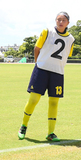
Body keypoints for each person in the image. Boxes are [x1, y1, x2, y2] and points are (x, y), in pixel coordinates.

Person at [18, 12, 74, 142]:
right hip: (41, 70)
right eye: (58, 19)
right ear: (55, 20)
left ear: (68, 23)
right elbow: (37, 48)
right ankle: (23, 126)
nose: (61, 22)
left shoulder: (71, 39)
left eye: (63, 20)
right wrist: (38, 63)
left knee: (54, 103)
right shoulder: (47, 31)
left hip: (58, 73)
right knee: (33, 100)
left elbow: (67, 54)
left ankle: (51, 133)